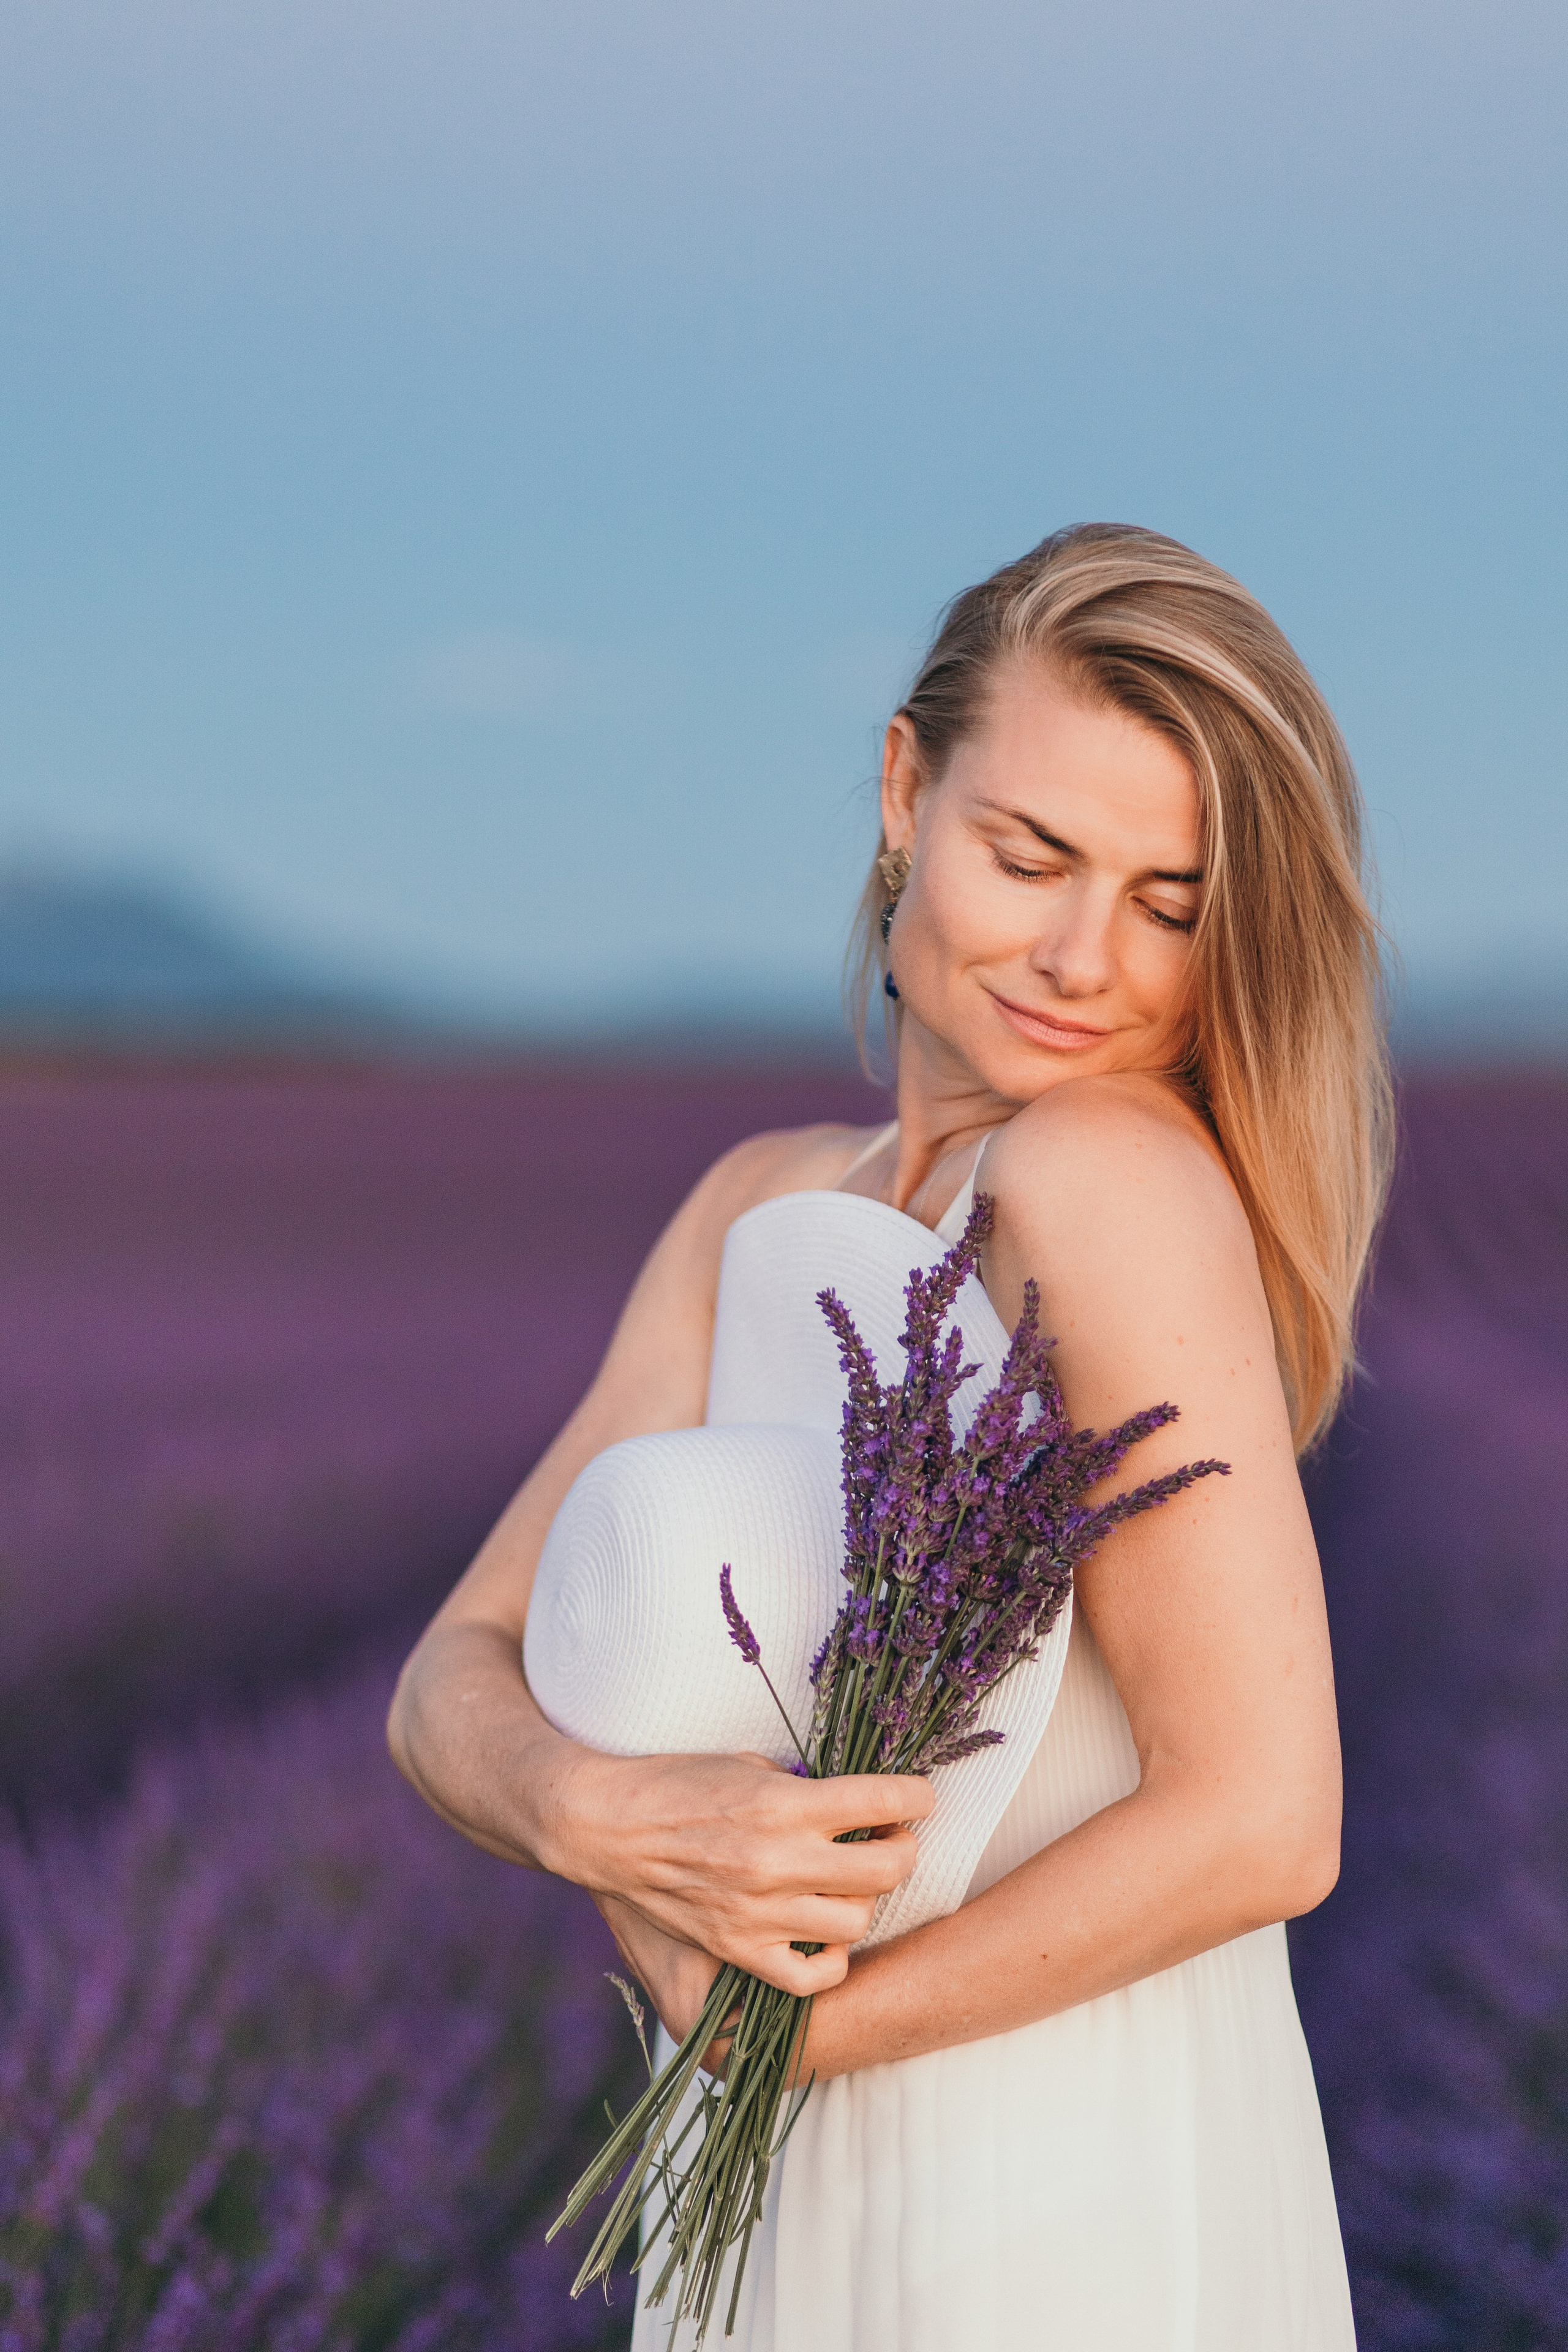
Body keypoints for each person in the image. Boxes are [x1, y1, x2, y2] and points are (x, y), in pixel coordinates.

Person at [388, 523, 1389, 2348]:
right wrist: (610, 1819)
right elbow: (452, 1670)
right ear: (903, 788)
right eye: (1033, 856)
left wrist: (795, 2035)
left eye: (1171, 904)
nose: (1088, 956)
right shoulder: (752, 1205)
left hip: (1042, 2185)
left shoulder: (1104, 1179)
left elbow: (1266, 1818)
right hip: (767, 2153)